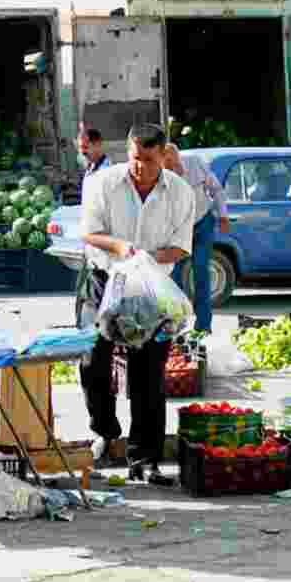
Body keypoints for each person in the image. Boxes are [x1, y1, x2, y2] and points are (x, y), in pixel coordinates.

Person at [77, 124, 195, 483]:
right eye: (134, 159)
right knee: (92, 359)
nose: (139, 167)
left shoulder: (180, 192)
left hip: (152, 292)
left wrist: (148, 258)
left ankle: (145, 458)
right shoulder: (104, 183)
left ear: (163, 155)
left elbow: (181, 247)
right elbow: (88, 232)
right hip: (103, 281)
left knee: (148, 376)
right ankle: (105, 430)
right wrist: (120, 248)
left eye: (147, 160)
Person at [164, 143, 229, 333]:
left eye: (173, 163)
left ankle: (203, 326)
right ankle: (175, 325)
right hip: (177, 230)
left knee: (201, 274)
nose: (171, 168)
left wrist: (223, 216)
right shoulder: (161, 175)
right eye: (167, 165)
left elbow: (216, 190)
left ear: (178, 158)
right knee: (173, 277)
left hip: (202, 223)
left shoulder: (195, 163)